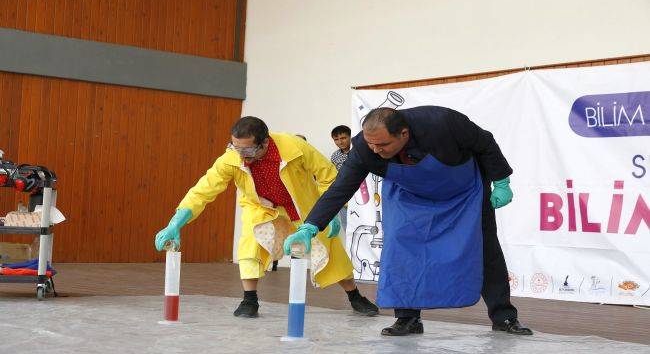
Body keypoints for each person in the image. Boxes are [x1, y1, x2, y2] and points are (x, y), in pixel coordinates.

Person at [284, 106, 533, 336]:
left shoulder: (443, 123)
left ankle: (504, 317)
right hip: (410, 196)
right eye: (371, 144)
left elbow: (485, 143)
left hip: (463, 192)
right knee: (400, 249)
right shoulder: (364, 148)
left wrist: (501, 180)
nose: (376, 151)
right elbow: (341, 188)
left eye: (383, 145)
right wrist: (311, 225)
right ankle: (407, 318)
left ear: (404, 133)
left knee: (485, 248)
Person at [154, 116, 378, 318]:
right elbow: (203, 190)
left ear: (265, 143)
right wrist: (176, 223)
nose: (242, 155)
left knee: (330, 250)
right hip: (261, 208)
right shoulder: (231, 158)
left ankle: (354, 296)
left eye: (248, 150)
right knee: (250, 245)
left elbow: (329, 177)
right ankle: (249, 300)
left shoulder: (295, 147)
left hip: (303, 207)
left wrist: (331, 213)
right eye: (236, 147)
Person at [330, 125, 352, 232]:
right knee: (346, 225)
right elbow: (333, 176)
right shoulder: (335, 156)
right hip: (343, 196)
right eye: (336, 139)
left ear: (350, 137)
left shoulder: (359, 152)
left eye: (343, 138)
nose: (340, 142)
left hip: (362, 193)